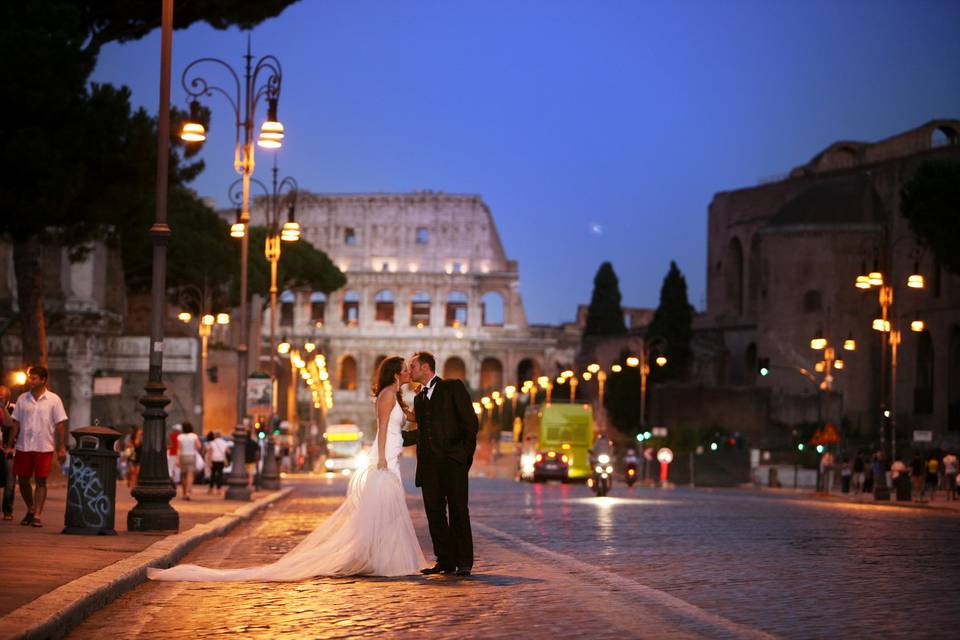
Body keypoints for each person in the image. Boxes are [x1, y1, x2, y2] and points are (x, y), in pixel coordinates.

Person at [148, 355, 427, 581]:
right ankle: (380, 558)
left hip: (392, 456)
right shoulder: (388, 396)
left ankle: (382, 557)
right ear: (394, 374)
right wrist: (380, 459)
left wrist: (423, 392)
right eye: (404, 370)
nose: (407, 373)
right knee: (382, 510)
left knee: (388, 511)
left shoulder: (398, 396)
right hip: (384, 458)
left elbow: (413, 419)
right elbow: (380, 428)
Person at [403, 351, 479, 577]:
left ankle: (464, 561)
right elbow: (422, 433)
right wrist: (393, 438)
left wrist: (464, 456)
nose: (410, 371)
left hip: (453, 463)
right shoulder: (418, 397)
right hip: (428, 467)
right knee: (434, 514)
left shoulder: (452, 387)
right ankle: (445, 560)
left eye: (413, 366)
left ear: (426, 367)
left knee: (458, 511)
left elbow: (470, 423)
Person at [4, 366, 68, 528]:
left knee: (41, 481)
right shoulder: (22, 399)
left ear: (43, 380)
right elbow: (16, 423)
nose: (30, 381)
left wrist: (61, 448)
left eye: (33, 378)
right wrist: (10, 446)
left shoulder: (54, 400)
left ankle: (37, 514)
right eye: (29, 378)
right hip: (24, 446)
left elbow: (60, 425)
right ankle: (31, 508)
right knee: (23, 480)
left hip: (44, 446)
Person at [1, 385, 16, 521]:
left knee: (10, 482)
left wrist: (3, 408)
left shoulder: (13, 408)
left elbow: (9, 424)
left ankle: (7, 510)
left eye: (1, 396)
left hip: (9, 450)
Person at [177, 422, 202, 500]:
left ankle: (184, 493)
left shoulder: (180, 437)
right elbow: (199, 446)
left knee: (183, 475)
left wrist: (178, 460)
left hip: (183, 457)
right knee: (190, 475)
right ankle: (188, 493)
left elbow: (179, 449)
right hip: (191, 456)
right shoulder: (194, 436)